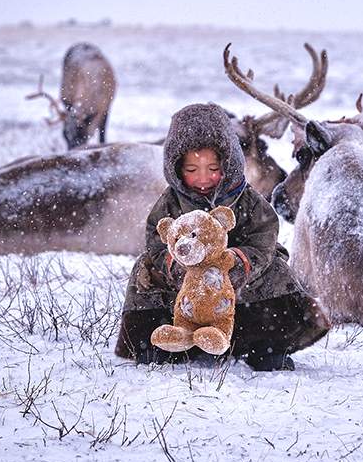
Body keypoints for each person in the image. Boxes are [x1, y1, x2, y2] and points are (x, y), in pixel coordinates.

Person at [114, 103, 330, 370]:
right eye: (191, 170)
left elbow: (264, 237)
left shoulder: (246, 198)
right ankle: (157, 343)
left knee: (276, 269)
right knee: (145, 270)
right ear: (176, 169)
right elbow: (157, 239)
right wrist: (176, 267)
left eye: (213, 168)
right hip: (185, 287)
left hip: (237, 280)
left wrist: (238, 264)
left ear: (228, 164)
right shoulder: (171, 201)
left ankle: (266, 345)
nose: (203, 178)